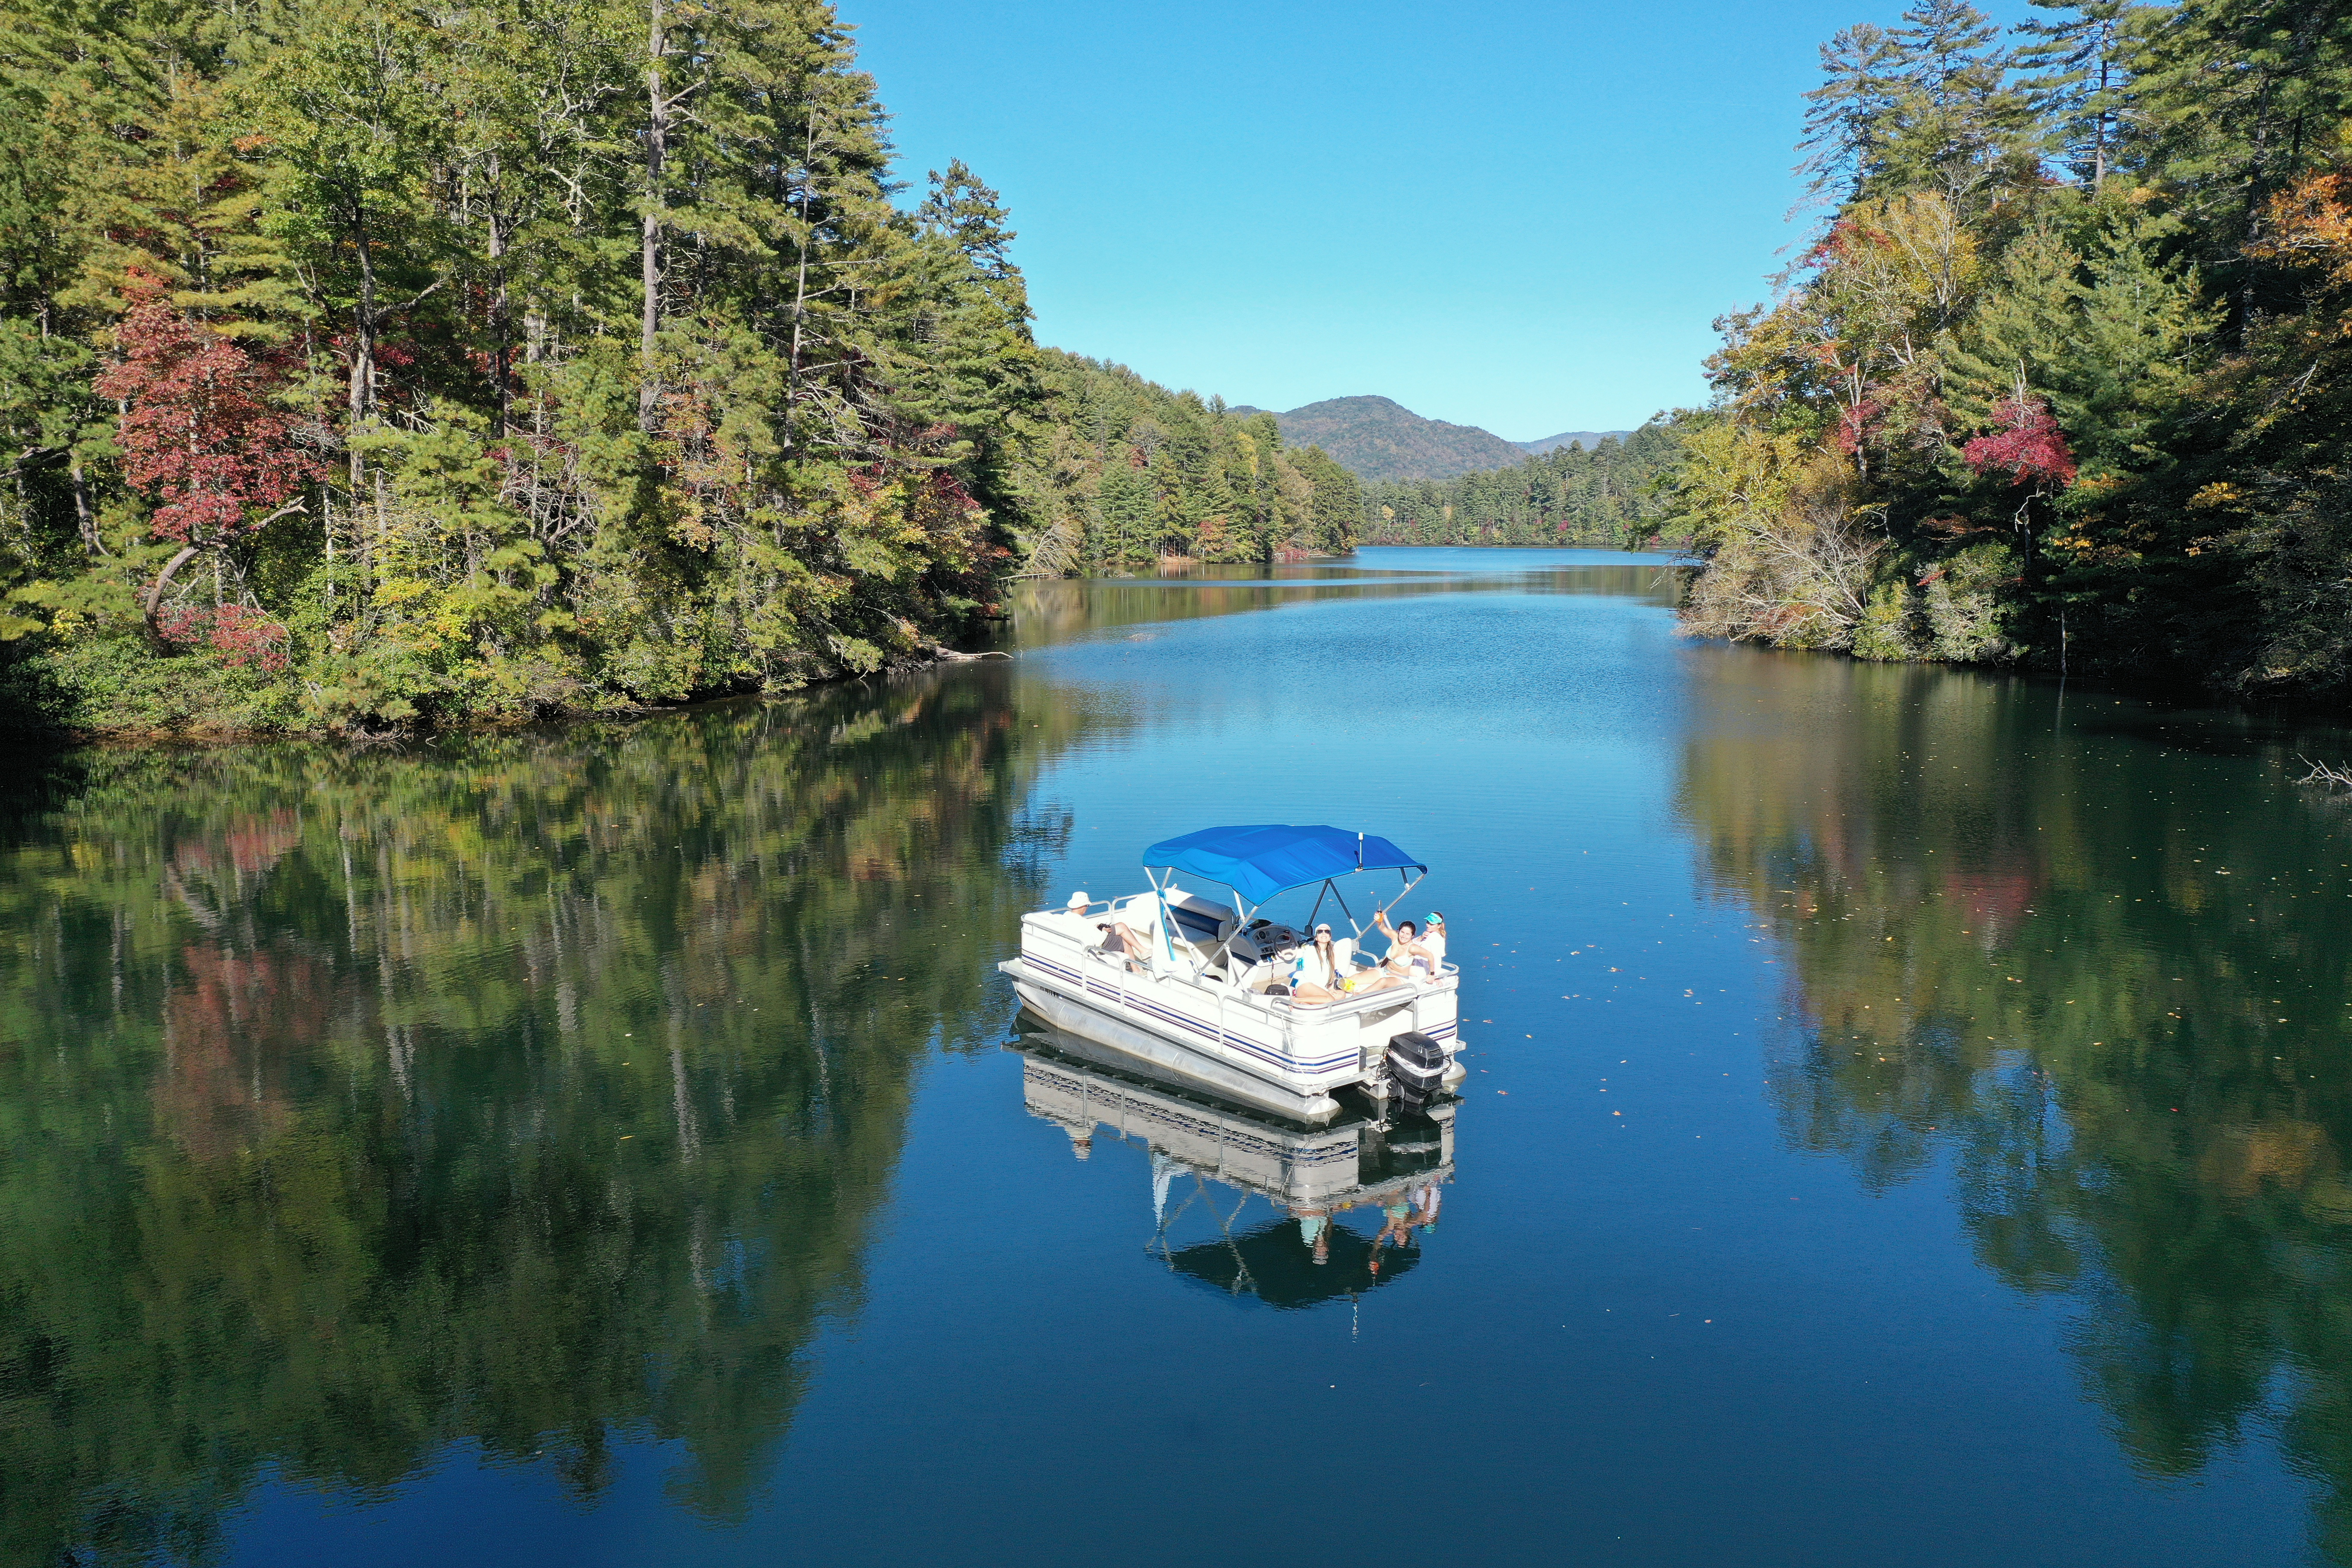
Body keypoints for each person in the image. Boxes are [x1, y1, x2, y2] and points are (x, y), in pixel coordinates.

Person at [1284, 925, 1344, 1004]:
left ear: (1330, 937)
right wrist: (1326, 991)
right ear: (1316, 937)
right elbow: (1312, 977)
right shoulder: (1311, 951)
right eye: (1320, 932)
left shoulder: (1331, 954)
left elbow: (1331, 976)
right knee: (1330, 1000)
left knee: (1342, 995)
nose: (1324, 934)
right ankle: (1296, 1000)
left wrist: (1331, 989)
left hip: (1321, 988)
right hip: (1307, 985)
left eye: (1327, 932)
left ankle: (1307, 1002)